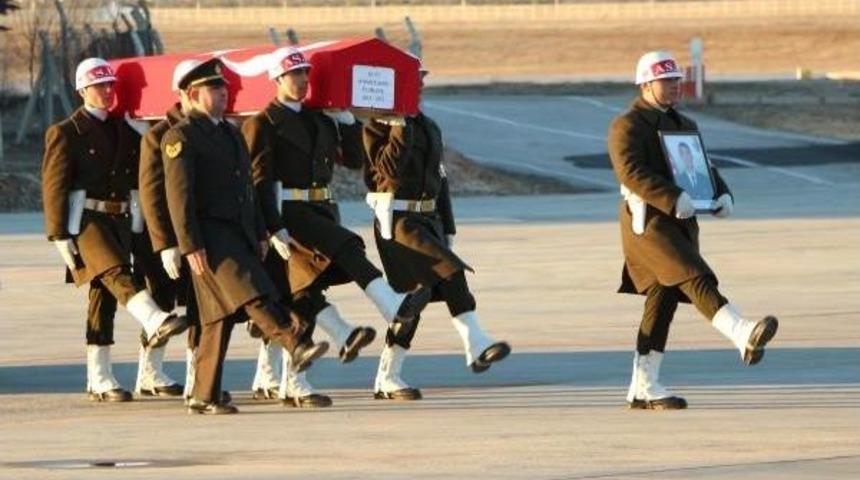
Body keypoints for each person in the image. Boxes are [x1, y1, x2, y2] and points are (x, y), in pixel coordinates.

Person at [243, 47, 431, 407]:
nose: (300, 82)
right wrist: (272, 227)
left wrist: (346, 121)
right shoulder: (262, 124)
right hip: (290, 212)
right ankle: (390, 304)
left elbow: (355, 161)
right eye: (293, 75)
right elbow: (259, 180)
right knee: (347, 248)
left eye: (304, 76)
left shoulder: (319, 119)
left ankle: (292, 383)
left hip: (321, 208)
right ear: (277, 80)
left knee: (304, 294)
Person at [607, 50, 779, 410]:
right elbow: (631, 172)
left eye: (676, 81)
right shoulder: (627, 125)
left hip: (681, 222)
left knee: (662, 303)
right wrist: (672, 197)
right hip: (648, 226)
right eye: (665, 82)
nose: (673, 88)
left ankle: (644, 386)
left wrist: (721, 193)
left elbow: (702, 166)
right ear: (645, 84)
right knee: (693, 274)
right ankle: (741, 331)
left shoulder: (684, 125)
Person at [162, 57, 328, 414]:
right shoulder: (181, 137)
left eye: (224, 88)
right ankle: (294, 340)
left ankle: (203, 395)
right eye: (215, 89)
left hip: (239, 232)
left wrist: (260, 231)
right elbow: (179, 197)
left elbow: (248, 188)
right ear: (193, 94)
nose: (224, 94)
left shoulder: (231, 133)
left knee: (217, 318)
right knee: (253, 290)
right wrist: (188, 244)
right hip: (209, 237)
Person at [41, 58, 188, 402]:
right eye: (99, 86)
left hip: (123, 217)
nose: (108, 91)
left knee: (105, 296)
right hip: (87, 220)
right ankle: (152, 320)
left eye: (110, 85)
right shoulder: (65, 132)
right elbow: (53, 185)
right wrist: (58, 233)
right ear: (82, 91)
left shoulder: (125, 128)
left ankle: (121, 376)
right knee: (116, 273)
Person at [362, 60, 511, 400]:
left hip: (428, 220)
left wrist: (449, 225)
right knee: (452, 274)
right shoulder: (377, 127)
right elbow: (387, 171)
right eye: (414, 81)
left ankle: (388, 376)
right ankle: (476, 343)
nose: (421, 87)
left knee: (415, 298)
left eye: (421, 81)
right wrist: (398, 126)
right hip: (397, 222)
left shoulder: (428, 125)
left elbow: (439, 179)